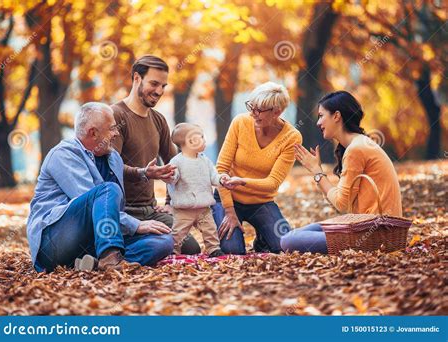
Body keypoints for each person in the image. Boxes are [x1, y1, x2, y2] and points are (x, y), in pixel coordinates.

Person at [27, 102, 174, 272]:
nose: (116, 133)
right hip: (53, 241)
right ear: (93, 132)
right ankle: (110, 258)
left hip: (92, 242)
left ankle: (94, 264)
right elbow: (93, 203)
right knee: (108, 189)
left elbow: (108, 213)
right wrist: (136, 225)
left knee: (163, 241)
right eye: (112, 128)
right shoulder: (63, 154)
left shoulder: (114, 159)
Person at [280, 91, 403, 254]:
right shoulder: (359, 144)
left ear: (336, 116)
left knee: (288, 240)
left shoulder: (356, 150)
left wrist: (317, 171)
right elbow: (342, 199)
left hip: (374, 233)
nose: (318, 122)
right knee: (293, 235)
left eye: (321, 116)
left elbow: (341, 203)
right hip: (364, 225)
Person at [111, 55, 200, 255]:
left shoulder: (158, 120)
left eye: (163, 86)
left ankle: (140, 245)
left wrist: (170, 203)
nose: (159, 91)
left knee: (190, 248)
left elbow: (175, 165)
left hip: (151, 211)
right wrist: (144, 172)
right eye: (154, 83)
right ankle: (113, 250)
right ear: (136, 78)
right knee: (163, 245)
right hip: (123, 213)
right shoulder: (116, 115)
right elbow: (110, 168)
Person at [211, 82, 302, 255]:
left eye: (259, 110)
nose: (252, 113)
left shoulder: (291, 137)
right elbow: (221, 168)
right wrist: (229, 211)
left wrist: (242, 182)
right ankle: (221, 216)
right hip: (228, 198)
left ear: (277, 112)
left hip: (261, 202)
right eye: (251, 107)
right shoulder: (240, 122)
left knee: (286, 247)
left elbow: (273, 183)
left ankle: (262, 239)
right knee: (234, 251)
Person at [167, 123, 227, 257]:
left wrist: (222, 179)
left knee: (210, 230)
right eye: (201, 137)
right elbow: (173, 179)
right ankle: (173, 251)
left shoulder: (205, 160)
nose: (205, 140)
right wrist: (169, 175)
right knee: (178, 232)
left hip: (204, 207)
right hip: (184, 209)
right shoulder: (176, 161)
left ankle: (213, 249)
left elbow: (214, 177)